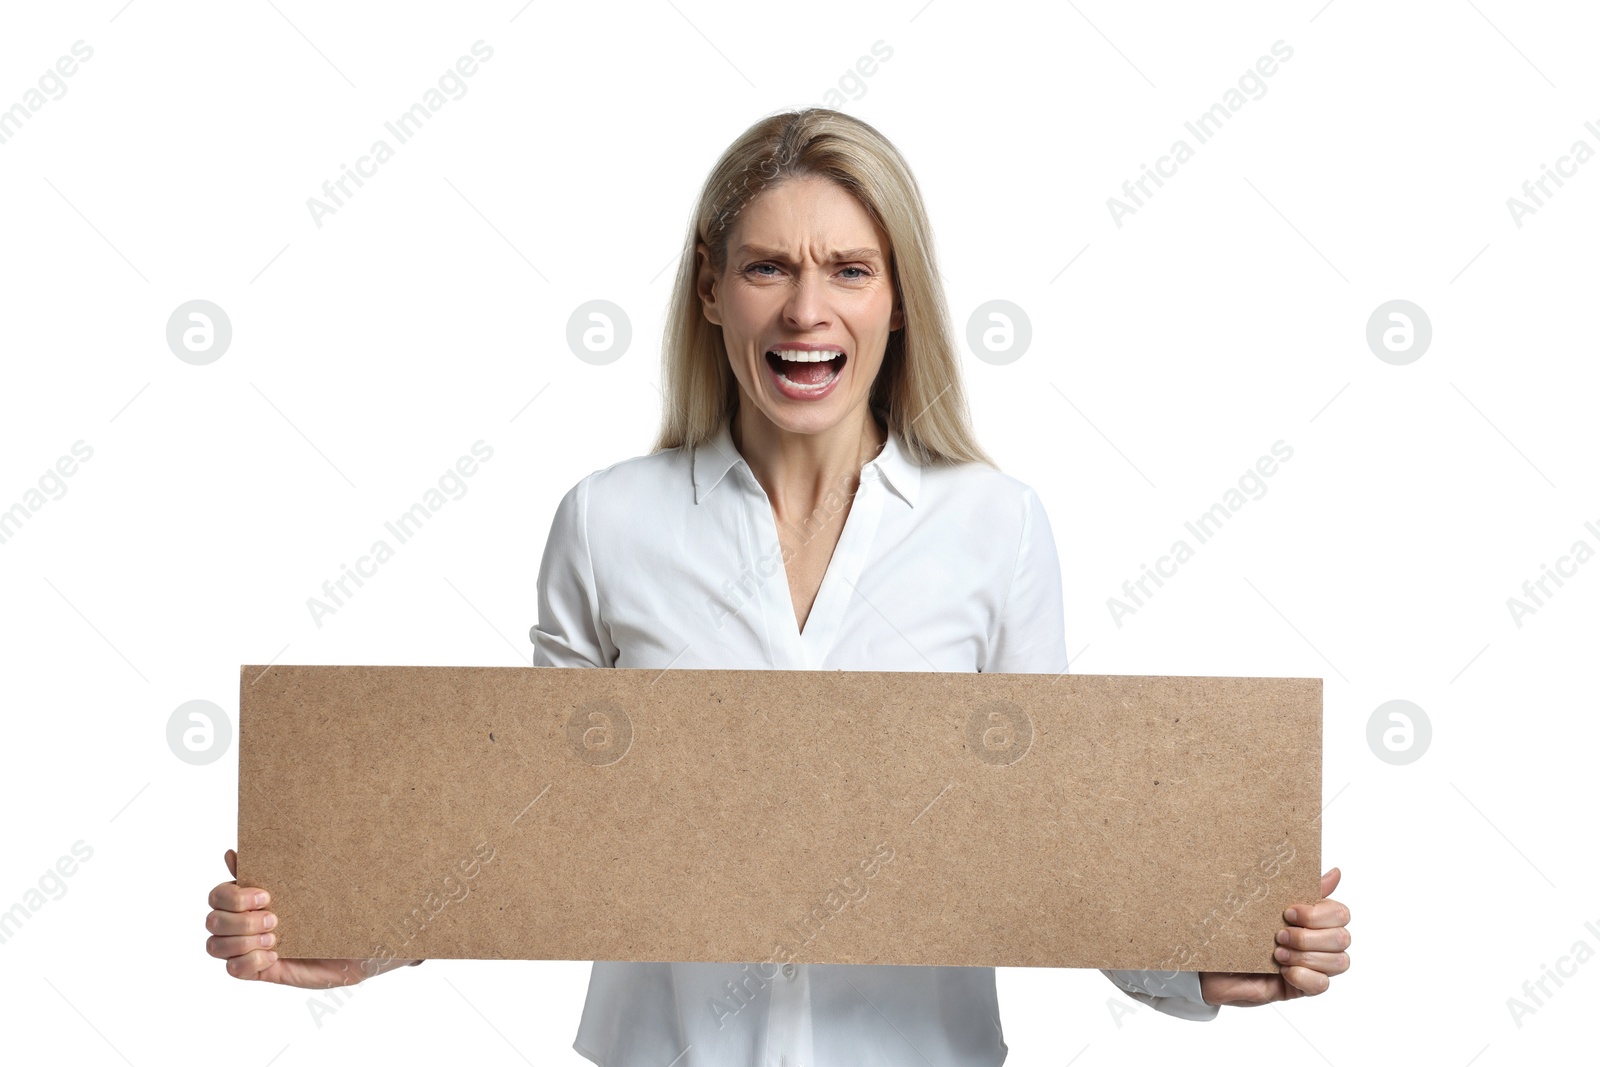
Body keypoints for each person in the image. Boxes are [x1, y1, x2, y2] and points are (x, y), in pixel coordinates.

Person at [206, 107, 1351, 1065]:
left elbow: (1041, 849)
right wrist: (356, 929)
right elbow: (528, 829)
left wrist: (1205, 952)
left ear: (897, 302)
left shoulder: (995, 526)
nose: (807, 311)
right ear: (711, 293)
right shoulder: (608, 522)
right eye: (767, 267)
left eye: (849, 270)